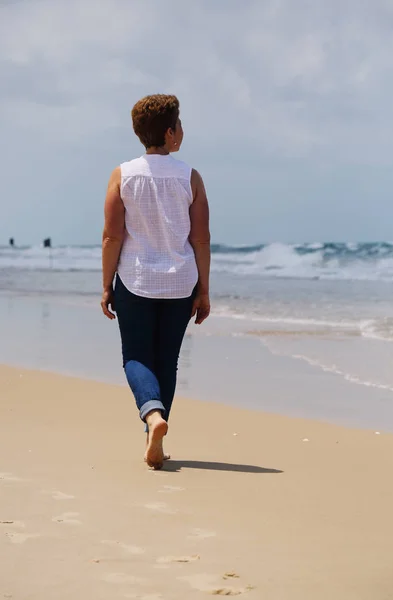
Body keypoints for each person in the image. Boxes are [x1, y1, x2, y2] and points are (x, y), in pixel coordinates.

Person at [101, 94, 211, 470]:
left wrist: (105, 284)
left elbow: (112, 237)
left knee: (135, 356)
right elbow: (200, 238)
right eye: (179, 124)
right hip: (180, 281)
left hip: (134, 279)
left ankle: (152, 417)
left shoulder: (123, 174)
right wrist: (205, 290)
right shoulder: (189, 177)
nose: (181, 131)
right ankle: (156, 438)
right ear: (169, 132)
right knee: (167, 361)